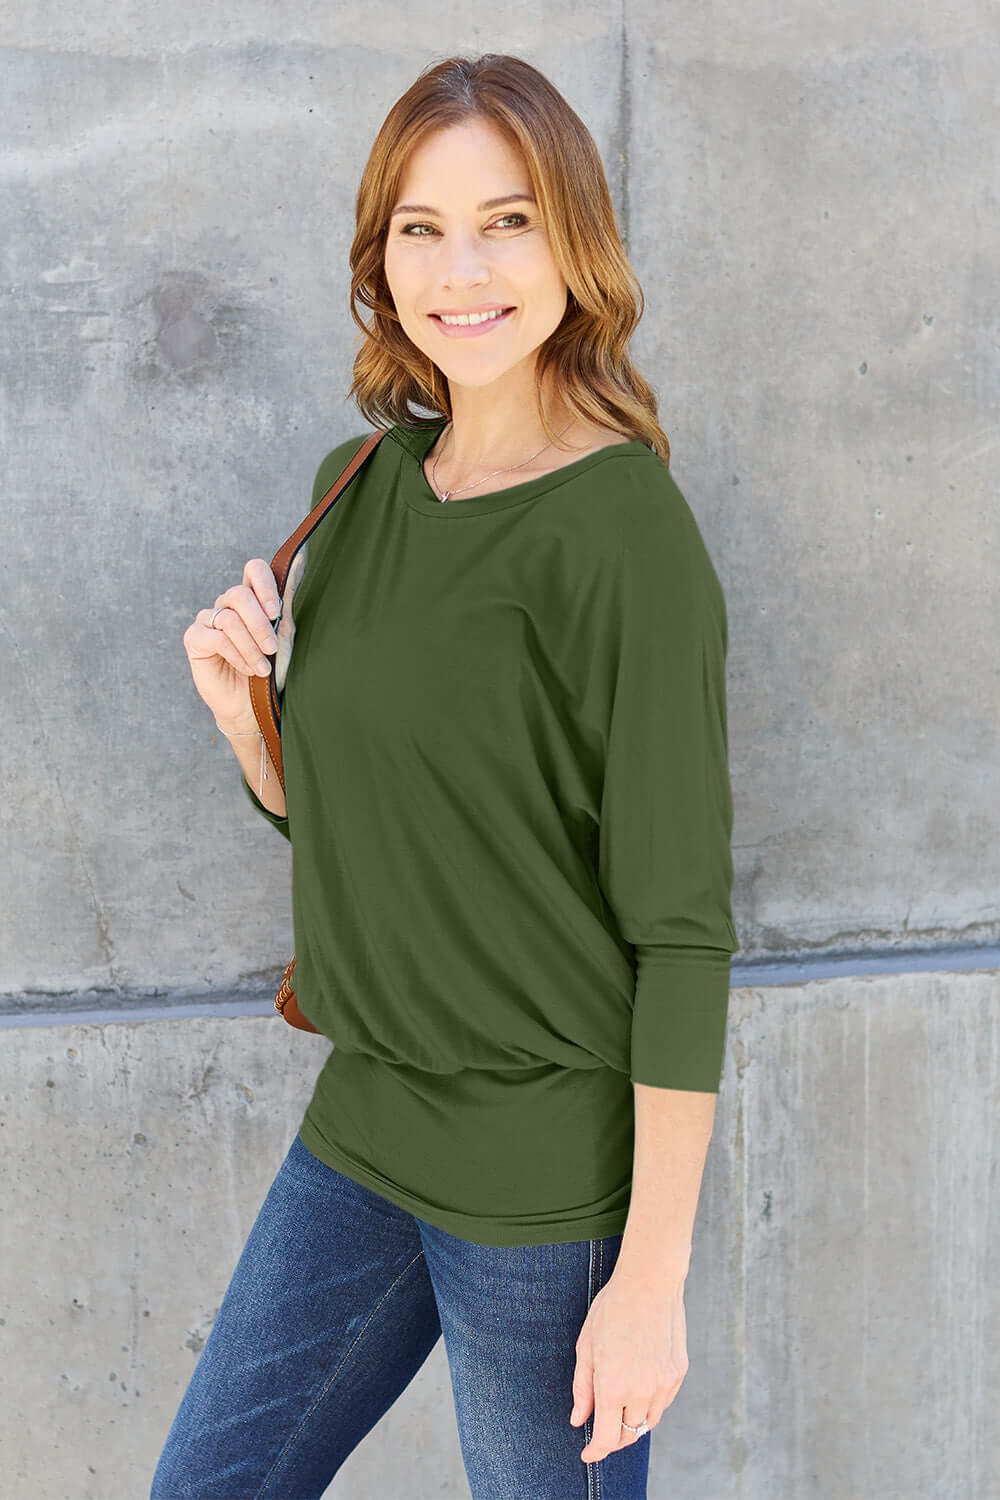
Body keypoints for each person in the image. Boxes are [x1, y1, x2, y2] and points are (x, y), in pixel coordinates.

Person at [155, 51, 739, 1500]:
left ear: (575, 246)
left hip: (544, 1178)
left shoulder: (622, 536)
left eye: (508, 221)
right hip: (364, 1121)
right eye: (422, 227)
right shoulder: (352, 496)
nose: (461, 268)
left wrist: (651, 1281)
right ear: (382, 257)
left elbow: (680, 931)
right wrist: (246, 722)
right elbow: (371, 825)